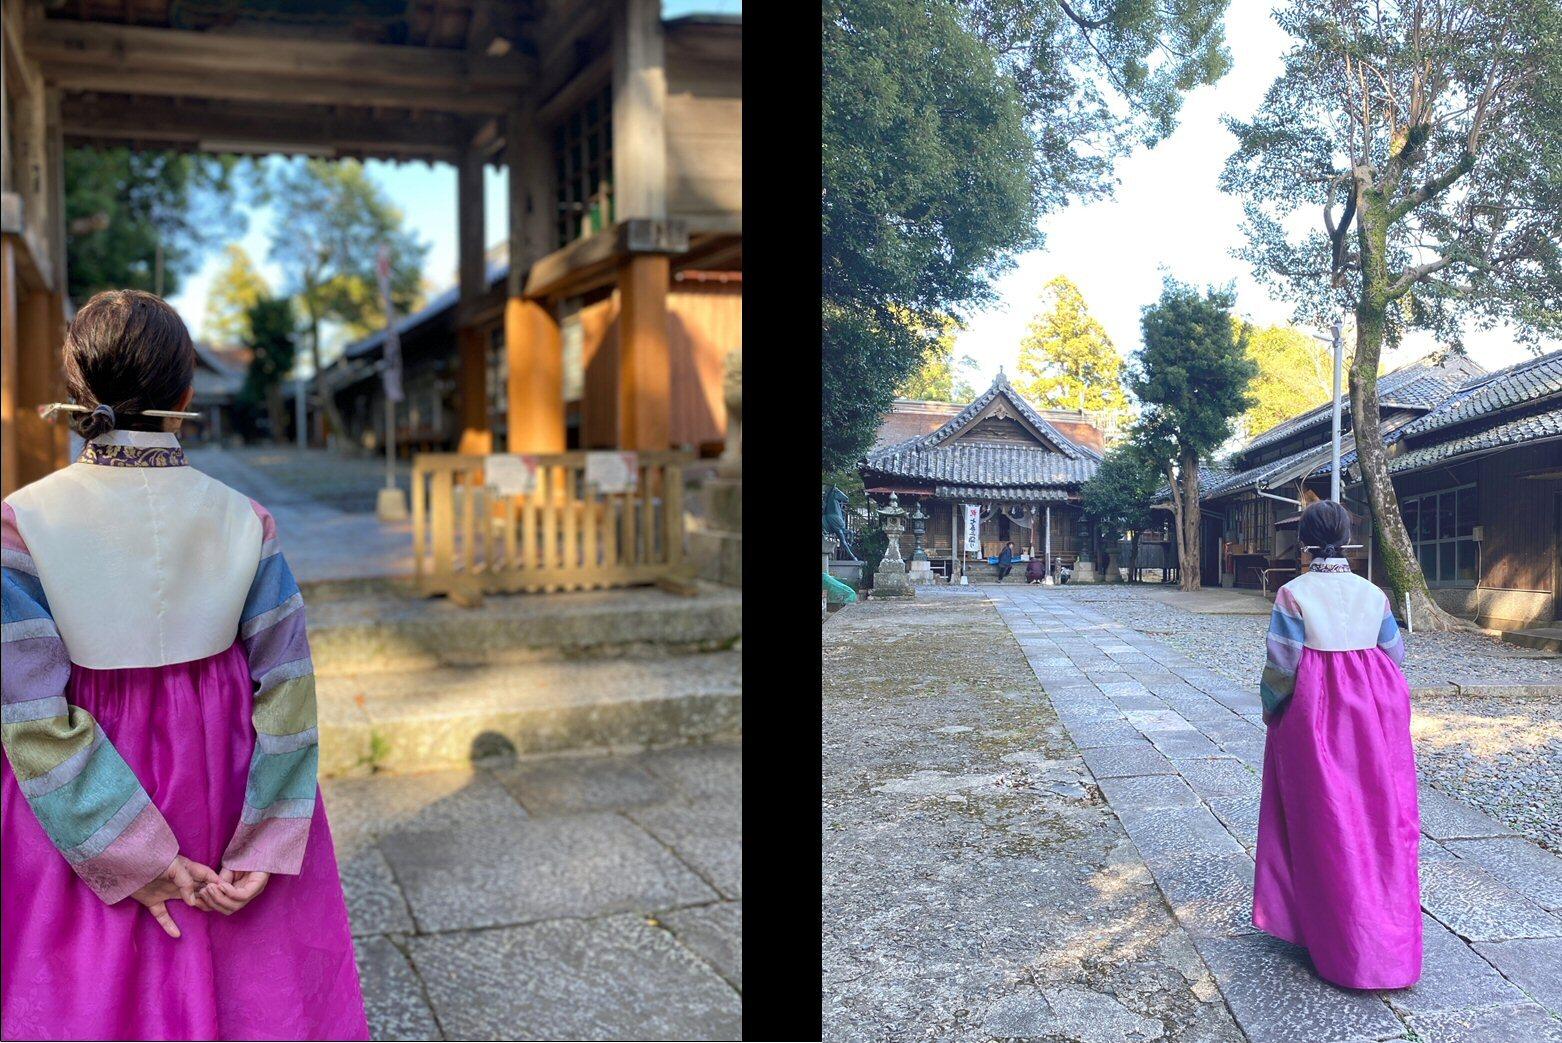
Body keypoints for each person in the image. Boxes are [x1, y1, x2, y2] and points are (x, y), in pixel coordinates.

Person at [1, 290, 368, 1040]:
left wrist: (132, 853)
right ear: (187, 391)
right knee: (252, 982)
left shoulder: (22, 522)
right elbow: (287, 685)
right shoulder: (245, 517)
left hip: (85, 786)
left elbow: (31, 708)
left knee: (89, 988)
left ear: (79, 388)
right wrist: (267, 838)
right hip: (223, 770)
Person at [1252, 499, 1419, 990]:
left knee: (1324, 818)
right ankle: (1385, 937)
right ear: (1347, 536)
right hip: (1375, 714)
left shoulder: (1292, 594)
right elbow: (1394, 653)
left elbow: (1282, 668)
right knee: (1379, 818)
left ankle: (1329, 933)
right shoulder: (1374, 593)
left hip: (1315, 715)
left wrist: (1270, 710)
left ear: (1303, 539)